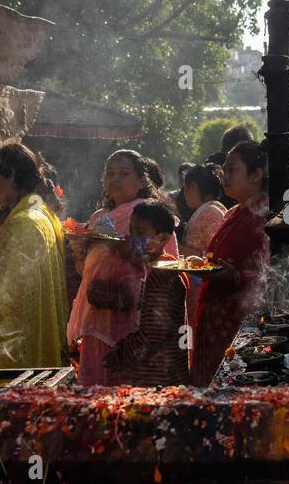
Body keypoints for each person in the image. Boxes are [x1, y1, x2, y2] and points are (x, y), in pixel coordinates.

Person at [67, 151, 178, 386]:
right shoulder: (100, 217)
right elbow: (88, 272)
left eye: (124, 174)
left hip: (133, 313)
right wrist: (79, 249)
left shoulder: (148, 215)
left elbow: (156, 260)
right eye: (110, 174)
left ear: (141, 180)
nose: (115, 179)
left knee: (124, 382)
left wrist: (119, 247)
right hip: (97, 310)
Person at [0, 143, 70, 369]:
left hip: (21, 345)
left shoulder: (25, 222)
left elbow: (7, 294)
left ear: (12, 176)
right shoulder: (42, 213)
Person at [189, 141, 271, 386]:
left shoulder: (264, 214)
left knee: (224, 391)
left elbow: (274, 272)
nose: (225, 176)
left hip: (236, 320)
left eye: (232, 169)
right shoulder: (236, 211)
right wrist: (202, 263)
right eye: (224, 169)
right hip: (214, 314)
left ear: (256, 175)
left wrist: (236, 276)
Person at [105, 202, 189, 386]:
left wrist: (121, 355)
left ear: (163, 239)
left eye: (140, 233)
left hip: (158, 375)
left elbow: (152, 334)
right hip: (169, 369)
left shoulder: (160, 275)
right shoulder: (164, 269)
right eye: (131, 230)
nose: (132, 237)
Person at [181, 163, 228, 323]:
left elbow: (215, 254)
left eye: (185, 188)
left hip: (202, 288)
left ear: (193, 186)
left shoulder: (210, 212)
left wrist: (180, 250)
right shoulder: (208, 210)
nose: (183, 193)